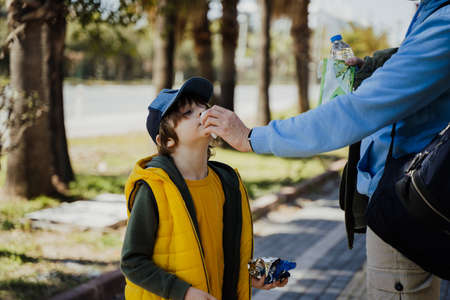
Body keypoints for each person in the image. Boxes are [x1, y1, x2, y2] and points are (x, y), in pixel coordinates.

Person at [201, 1, 449, 299]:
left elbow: (357, 111)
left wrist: (252, 137)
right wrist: (376, 67)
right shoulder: (432, 12)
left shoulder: (444, 21)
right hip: (416, 197)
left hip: (408, 204)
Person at [120, 77, 287, 300]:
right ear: (166, 140)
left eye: (203, 107)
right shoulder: (153, 188)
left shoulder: (225, 183)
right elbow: (132, 262)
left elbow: (219, 253)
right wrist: (184, 293)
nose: (202, 113)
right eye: (187, 112)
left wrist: (254, 273)